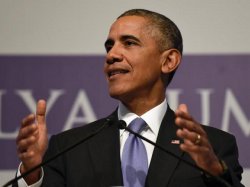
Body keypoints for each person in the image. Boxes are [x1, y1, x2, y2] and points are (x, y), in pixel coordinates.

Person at [15, 9, 244, 187]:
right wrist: (32, 173)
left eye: (129, 43)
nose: (112, 55)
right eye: (109, 46)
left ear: (168, 61)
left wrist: (214, 170)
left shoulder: (215, 146)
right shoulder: (68, 147)